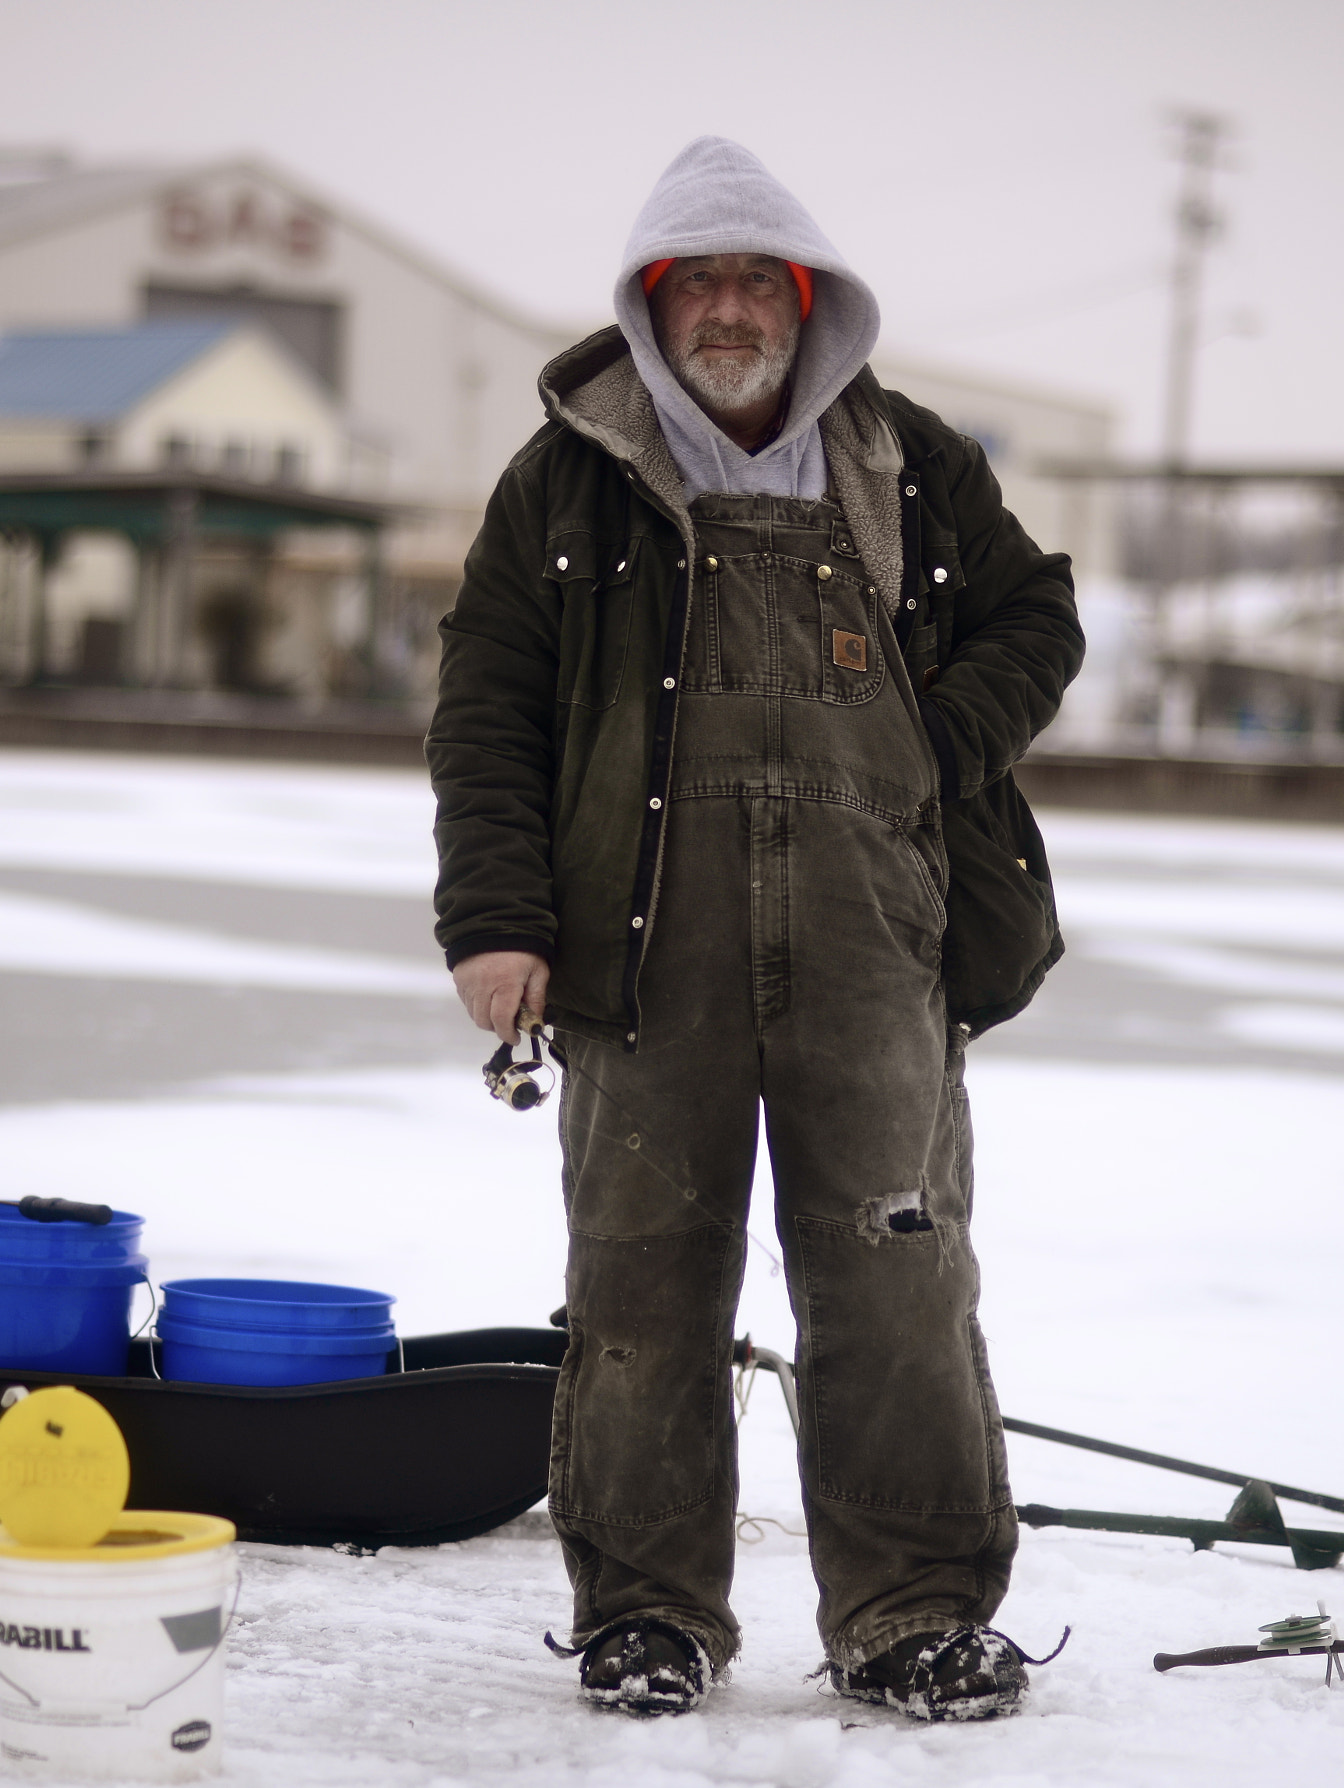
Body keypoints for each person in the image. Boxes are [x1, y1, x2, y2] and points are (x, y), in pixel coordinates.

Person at [427, 137, 1083, 1723]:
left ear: (808, 300)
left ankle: (913, 1614)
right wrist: (495, 919)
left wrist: (937, 734)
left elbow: (1038, 614)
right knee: (645, 1287)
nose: (727, 309)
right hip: (645, 948)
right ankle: (648, 1615)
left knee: (896, 1287)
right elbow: (488, 711)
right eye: (695, 281)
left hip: (879, 941)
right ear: (654, 305)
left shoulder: (908, 459)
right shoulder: (565, 478)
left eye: (754, 280)